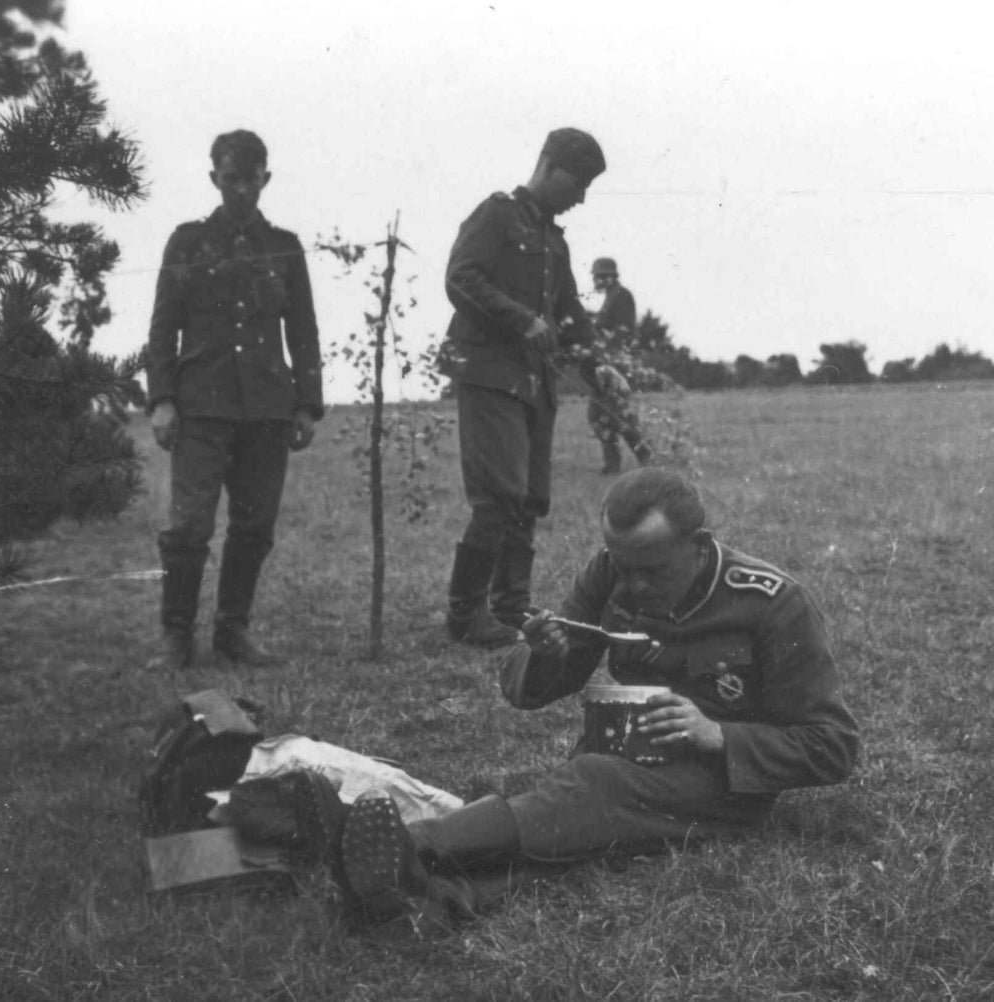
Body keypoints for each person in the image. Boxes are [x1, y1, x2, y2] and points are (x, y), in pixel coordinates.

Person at [325, 467, 859, 921]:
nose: (634, 586)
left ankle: (413, 844)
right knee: (579, 811)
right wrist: (545, 654)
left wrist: (716, 734)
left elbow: (834, 746)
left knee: (590, 785)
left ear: (700, 545)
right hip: (625, 761)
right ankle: (432, 895)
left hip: (722, 785)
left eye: (653, 571)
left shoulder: (773, 603)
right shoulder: (612, 571)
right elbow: (526, 693)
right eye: (623, 567)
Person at [145, 130, 323, 670]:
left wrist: (307, 404)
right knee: (188, 527)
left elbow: (304, 330)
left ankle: (232, 632)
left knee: (254, 526)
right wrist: (162, 400)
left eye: (250, 179)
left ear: (266, 178)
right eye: (230, 179)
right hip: (200, 406)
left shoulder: (285, 246)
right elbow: (162, 327)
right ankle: (176, 636)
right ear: (214, 179)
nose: (241, 190)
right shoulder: (187, 243)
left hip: (267, 409)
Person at [439, 127, 606, 648]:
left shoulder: (555, 241)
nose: (581, 198)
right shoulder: (495, 215)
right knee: (499, 496)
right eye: (578, 183)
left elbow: (570, 312)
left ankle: (510, 606)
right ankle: (466, 614)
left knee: (530, 498)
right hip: (491, 376)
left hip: (536, 385)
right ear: (549, 166)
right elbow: (461, 277)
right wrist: (521, 320)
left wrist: (601, 366)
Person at [582, 257, 650, 474]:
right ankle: (615, 464)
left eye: (599, 276)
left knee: (618, 416)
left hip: (615, 365)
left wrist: (606, 360)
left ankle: (646, 458)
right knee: (603, 415)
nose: (596, 280)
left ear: (610, 276)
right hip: (608, 364)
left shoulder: (621, 296)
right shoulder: (611, 296)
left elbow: (623, 332)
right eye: (595, 276)